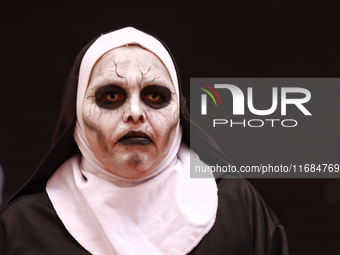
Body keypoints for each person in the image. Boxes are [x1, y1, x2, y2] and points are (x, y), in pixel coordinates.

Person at [0, 27, 288, 255]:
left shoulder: (238, 210)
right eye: (111, 96)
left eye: (155, 96)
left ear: (179, 111)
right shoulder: (22, 229)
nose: (135, 113)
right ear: (76, 112)